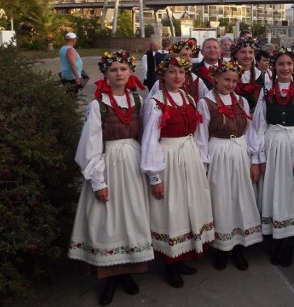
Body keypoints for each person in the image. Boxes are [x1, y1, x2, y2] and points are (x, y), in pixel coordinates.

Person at [68, 50, 152, 306]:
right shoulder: (98, 105)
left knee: (131, 218)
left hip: (133, 166)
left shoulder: (138, 101)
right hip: (108, 165)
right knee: (108, 219)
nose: (119, 73)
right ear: (105, 73)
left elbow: (146, 139)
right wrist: (98, 181)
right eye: (113, 69)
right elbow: (89, 146)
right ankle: (109, 277)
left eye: (123, 69)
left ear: (130, 73)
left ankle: (127, 273)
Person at [140, 54, 215, 289]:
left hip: (189, 154)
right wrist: (155, 176)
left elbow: (198, 133)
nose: (178, 76)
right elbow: (150, 139)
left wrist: (201, 162)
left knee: (188, 206)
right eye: (172, 72)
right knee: (171, 208)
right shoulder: (154, 103)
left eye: (181, 72)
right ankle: (170, 262)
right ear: (162, 75)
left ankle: (184, 256)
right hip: (168, 158)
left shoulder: (189, 99)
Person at [247, 47, 294, 267]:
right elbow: (259, 125)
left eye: (288, 64)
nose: (285, 68)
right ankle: (276, 239)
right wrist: (260, 156)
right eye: (280, 64)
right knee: (274, 190)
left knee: (292, 191)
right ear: (274, 68)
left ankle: (289, 243)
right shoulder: (266, 91)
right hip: (273, 144)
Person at [201, 60, 263, 271]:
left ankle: (239, 247)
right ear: (216, 79)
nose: (230, 84)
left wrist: (254, 161)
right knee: (220, 200)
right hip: (218, 152)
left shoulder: (242, 101)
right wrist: (204, 165)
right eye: (226, 79)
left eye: (234, 80)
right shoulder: (205, 102)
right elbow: (201, 136)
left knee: (240, 198)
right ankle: (221, 248)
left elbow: (250, 132)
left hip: (240, 152)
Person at [231, 37, 268, 113]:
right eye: (243, 52)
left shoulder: (262, 76)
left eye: (250, 52)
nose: (247, 56)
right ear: (235, 54)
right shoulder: (229, 75)